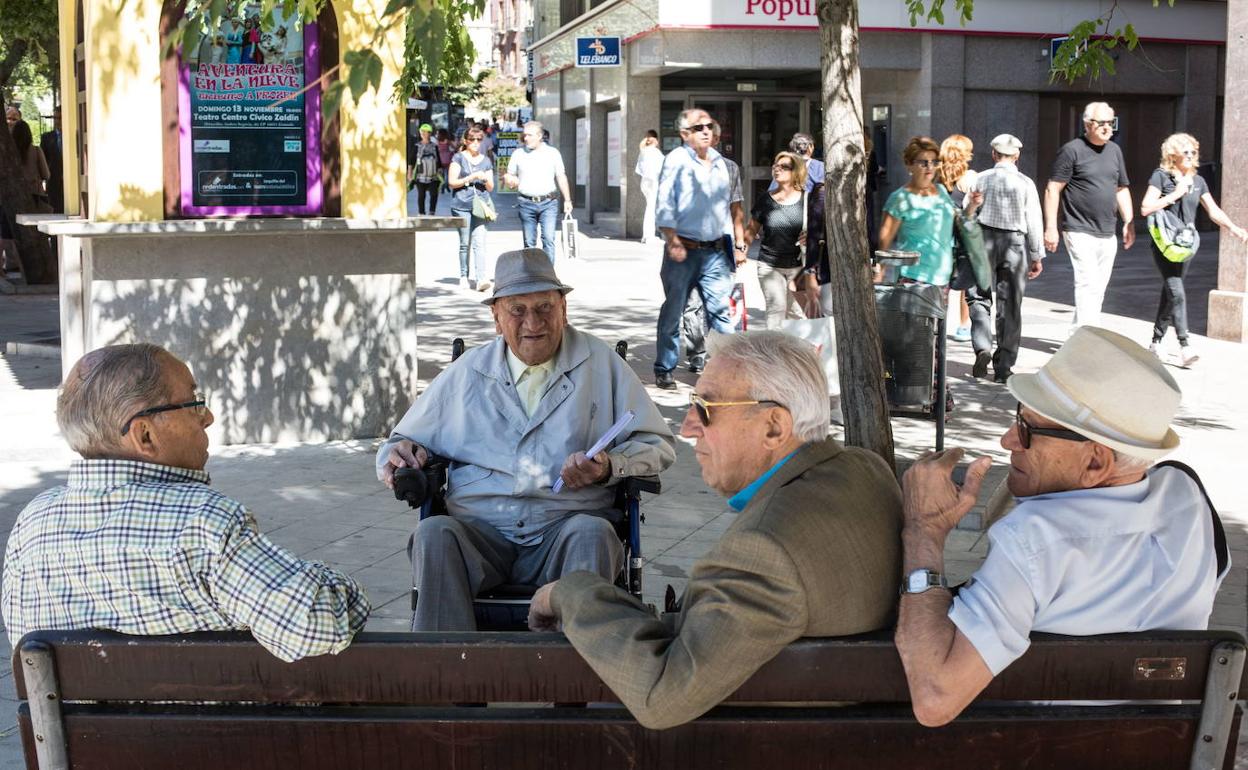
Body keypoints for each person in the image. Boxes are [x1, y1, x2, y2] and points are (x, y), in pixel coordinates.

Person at [527, 331, 903, 730]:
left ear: (774, 427)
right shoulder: (868, 471)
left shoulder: (762, 551)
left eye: (706, 408)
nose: (688, 427)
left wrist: (570, 591)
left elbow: (662, 696)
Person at [894, 326, 1228, 727]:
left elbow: (935, 698)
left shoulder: (1035, 540)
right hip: (1161, 749)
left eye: (1028, 430)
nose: (1007, 441)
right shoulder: (1188, 499)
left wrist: (923, 531)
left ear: (1094, 463)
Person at [1, 344, 370, 661]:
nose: (207, 417)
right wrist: (324, 578)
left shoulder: (33, 522)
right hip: (215, 744)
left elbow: (25, 644)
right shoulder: (204, 522)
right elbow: (318, 625)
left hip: (76, 743)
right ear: (144, 434)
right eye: (193, 403)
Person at [377, 249, 676, 632]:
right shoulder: (468, 371)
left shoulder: (601, 363)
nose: (533, 322)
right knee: (433, 534)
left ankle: (575, 682)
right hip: (480, 534)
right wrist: (401, 455)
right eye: (517, 310)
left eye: (544, 307)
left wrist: (608, 467)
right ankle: (449, 683)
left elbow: (657, 444)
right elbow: (400, 442)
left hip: (566, 525)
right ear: (496, 317)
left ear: (563, 308)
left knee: (594, 533)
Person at [1139, 132, 1247, 367]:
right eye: (1185, 151)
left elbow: (1213, 210)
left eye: (1193, 152)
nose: (1190, 155)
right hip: (1164, 243)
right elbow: (1146, 208)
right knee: (1176, 291)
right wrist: (1175, 195)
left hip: (1185, 244)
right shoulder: (1161, 177)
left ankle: (1156, 342)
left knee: (1171, 293)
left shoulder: (1198, 181)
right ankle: (1185, 345)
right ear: (1173, 154)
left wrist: (1233, 228)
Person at [653, 108, 738, 390]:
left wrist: (734, 245)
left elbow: (724, 208)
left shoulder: (720, 162)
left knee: (720, 313)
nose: (706, 130)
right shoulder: (676, 160)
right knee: (674, 311)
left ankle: (728, 371)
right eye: (699, 126)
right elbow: (665, 203)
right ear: (684, 134)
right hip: (683, 250)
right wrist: (672, 239)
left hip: (715, 252)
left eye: (709, 125)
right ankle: (665, 367)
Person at [1044, 101, 1134, 334]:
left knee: (1098, 287)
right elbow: (1053, 188)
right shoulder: (1072, 150)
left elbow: (1121, 188)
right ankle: (1090, 336)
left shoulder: (1115, 151)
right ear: (1087, 124)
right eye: (1102, 123)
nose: (1107, 128)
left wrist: (1129, 221)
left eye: (1111, 123)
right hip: (1078, 229)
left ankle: (1078, 333)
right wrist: (1051, 228)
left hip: (1107, 231)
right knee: (1087, 283)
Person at [966, 133, 1044, 383]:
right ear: (1017, 156)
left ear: (993, 154)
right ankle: (1004, 367)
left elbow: (967, 211)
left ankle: (982, 347)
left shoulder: (981, 178)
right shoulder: (1025, 182)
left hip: (984, 241)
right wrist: (1036, 255)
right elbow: (1034, 219)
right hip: (1015, 243)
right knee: (1010, 304)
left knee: (978, 296)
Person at [879, 136, 980, 287]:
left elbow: (956, 224)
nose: (930, 167)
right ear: (909, 164)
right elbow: (884, 243)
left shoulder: (941, 190)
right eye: (923, 162)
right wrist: (879, 274)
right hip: (913, 279)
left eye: (934, 162)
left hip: (943, 278)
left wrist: (971, 206)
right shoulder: (900, 198)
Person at [744, 151, 809, 329]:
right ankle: (775, 355)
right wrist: (740, 251)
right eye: (775, 165)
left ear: (796, 172)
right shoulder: (766, 199)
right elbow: (751, 228)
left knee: (797, 314)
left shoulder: (807, 199)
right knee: (776, 311)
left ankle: (798, 355)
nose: (777, 169)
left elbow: (821, 231)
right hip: (769, 264)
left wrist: (811, 236)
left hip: (798, 266)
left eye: (784, 167)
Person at [503, 121, 574, 263]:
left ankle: (548, 277)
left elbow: (561, 176)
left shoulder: (552, 153)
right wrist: (510, 180)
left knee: (548, 239)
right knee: (529, 242)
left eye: (529, 135)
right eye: (525, 135)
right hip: (526, 202)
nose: (526, 138)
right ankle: (532, 277)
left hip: (549, 202)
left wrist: (567, 200)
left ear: (540, 136)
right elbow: (509, 175)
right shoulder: (518, 153)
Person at [937, 135, 978, 343]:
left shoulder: (937, 175)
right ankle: (964, 325)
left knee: (941, 281)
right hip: (963, 236)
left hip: (940, 236)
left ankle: (939, 320)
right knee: (966, 283)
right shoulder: (970, 177)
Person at [448, 125, 495, 292]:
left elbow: (491, 187)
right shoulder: (458, 158)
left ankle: (481, 278)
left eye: (479, 140)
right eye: (472, 140)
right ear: (466, 141)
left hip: (481, 205)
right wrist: (471, 177)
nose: (476, 143)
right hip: (461, 205)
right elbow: (452, 182)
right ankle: (463, 275)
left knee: (479, 242)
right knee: (464, 243)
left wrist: (484, 179)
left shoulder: (486, 160)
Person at [11, 120, 50, 209]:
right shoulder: (36, 151)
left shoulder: (9, 153)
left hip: (14, 195)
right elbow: (46, 175)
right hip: (35, 195)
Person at [635, 130, 665, 245]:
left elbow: (639, 169)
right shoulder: (656, 153)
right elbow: (662, 168)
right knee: (651, 209)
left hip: (645, 182)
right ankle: (649, 236)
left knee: (650, 207)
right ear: (656, 140)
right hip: (653, 182)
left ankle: (647, 235)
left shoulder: (643, 151)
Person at [409, 123, 440, 215]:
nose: (425, 134)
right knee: (421, 195)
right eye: (423, 132)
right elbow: (411, 161)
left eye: (428, 132)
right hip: (420, 175)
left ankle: (432, 212)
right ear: (420, 133)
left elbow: (438, 160)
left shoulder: (434, 146)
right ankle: (421, 212)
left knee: (434, 194)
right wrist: (409, 173)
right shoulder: (417, 146)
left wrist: (440, 171)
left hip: (433, 175)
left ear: (430, 133)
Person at [40, 106, 64, 213]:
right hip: (53, 181)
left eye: (60, 118)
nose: (57, 121)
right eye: (55, 118)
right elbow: (43, 160)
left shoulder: (73, 135)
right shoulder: (47, 138)